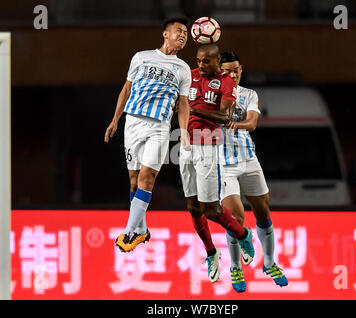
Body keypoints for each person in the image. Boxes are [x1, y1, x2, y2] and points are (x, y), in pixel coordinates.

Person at [104, 17, 191, 253]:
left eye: (186, 33)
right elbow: (126, 89)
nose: (183, 35)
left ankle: (129, 232)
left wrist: (183, 131)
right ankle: (142, 230)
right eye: (179, 31)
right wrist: (115, 119)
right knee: (133, 180)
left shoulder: (183, 69)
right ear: (165, 33)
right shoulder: (141, 57)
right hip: (133, 122)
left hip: (159, 127)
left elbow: (183, 104)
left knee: (147, 178)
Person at [179, 44, 255, 283]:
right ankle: (212, 253)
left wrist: (194, 111)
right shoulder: (188, 76)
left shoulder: (226, 82)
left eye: (206, 61)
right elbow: (178, 105)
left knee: (211, 209)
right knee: (193, 208)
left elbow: (225, 118)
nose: (201, 65)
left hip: (208, 143)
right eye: (198, 60)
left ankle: (243, 235)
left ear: (217, 61)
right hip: (185, 144)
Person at [220, 51, 288, 292]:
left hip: (249, 161)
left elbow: (252, 123)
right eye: (227, 70)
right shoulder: (211, 95)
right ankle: (236, 267)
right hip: (223, 166)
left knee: (263, 212)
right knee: (235, 218)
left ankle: (269, 263)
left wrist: (232, 124)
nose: (233, 74)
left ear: (241, 69)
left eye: (236, 69)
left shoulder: (249, 94)